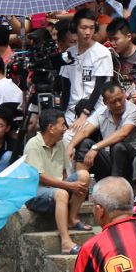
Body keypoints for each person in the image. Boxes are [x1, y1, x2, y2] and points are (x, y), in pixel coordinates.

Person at [24, 109, 91, 255]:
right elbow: (40, 177)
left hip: (57, 188)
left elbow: (65, 172)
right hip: (35, 193)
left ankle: (72, 218)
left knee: (84, 175)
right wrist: (68, 186)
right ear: (51, 128)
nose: (65, 129)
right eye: (62, 125)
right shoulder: (33, 144)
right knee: (61, 193)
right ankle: (66, 242)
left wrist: (70, 185)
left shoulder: (59, 143)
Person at [68, 81, 136, 187]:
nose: (118, 104)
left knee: (118, 146)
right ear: (105, 102)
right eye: (113, 102)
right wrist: (70, 146)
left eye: (120, 99)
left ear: (124, 95)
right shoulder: (101, 112)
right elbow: (84, 131)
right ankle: (80, 187)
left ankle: (114, 189)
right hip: (111, 159)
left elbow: (123, 133)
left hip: (134, 161)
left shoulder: (134, 111)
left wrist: (96, 147)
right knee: (85, 143)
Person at [61, 9, 114, 128]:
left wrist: (84, 114)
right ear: (75, 28)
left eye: (91, 28)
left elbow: (99, 87)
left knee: (69, 138)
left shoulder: (102, 53)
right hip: (71, 110)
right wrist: (62, 116)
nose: (88, 32)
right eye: (83, 27)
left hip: (96, 110)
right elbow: (65, 87)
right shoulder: (68, 53)